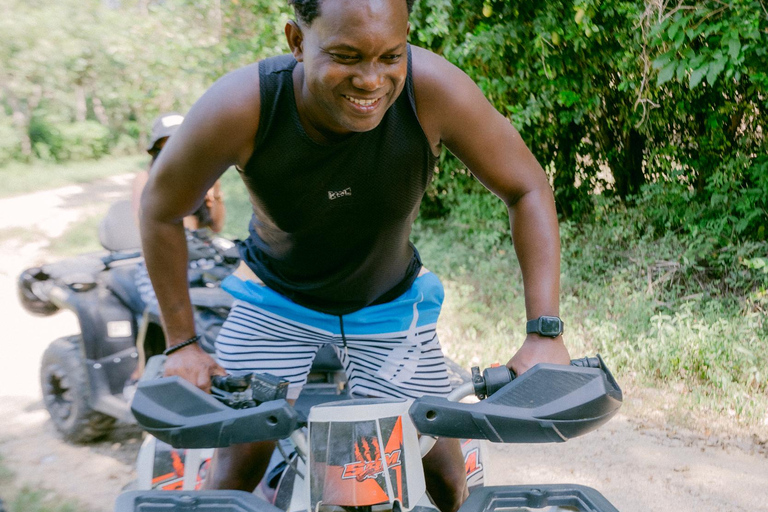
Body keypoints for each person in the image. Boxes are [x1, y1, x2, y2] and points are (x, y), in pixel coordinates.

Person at [138, 1, 570, 511]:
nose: (370, 80)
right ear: (297, 41)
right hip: (275, 301)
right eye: (345, 56)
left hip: (389, 304)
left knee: (448, 479)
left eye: (391, 56)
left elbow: (527, 187)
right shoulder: (244, 106)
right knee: (236, 469)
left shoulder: (433, 90)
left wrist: (544, 334)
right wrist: (183, 344)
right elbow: (160, 209)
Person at [133, 112, 227, 308]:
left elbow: (217, 226)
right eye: (168, 145)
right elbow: (146, 228)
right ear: (157, 149)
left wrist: (216, 193)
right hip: (166, 262)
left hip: (204, 258)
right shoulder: (146, 179)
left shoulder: (203, 175)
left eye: (181, 142)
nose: (176, 150)